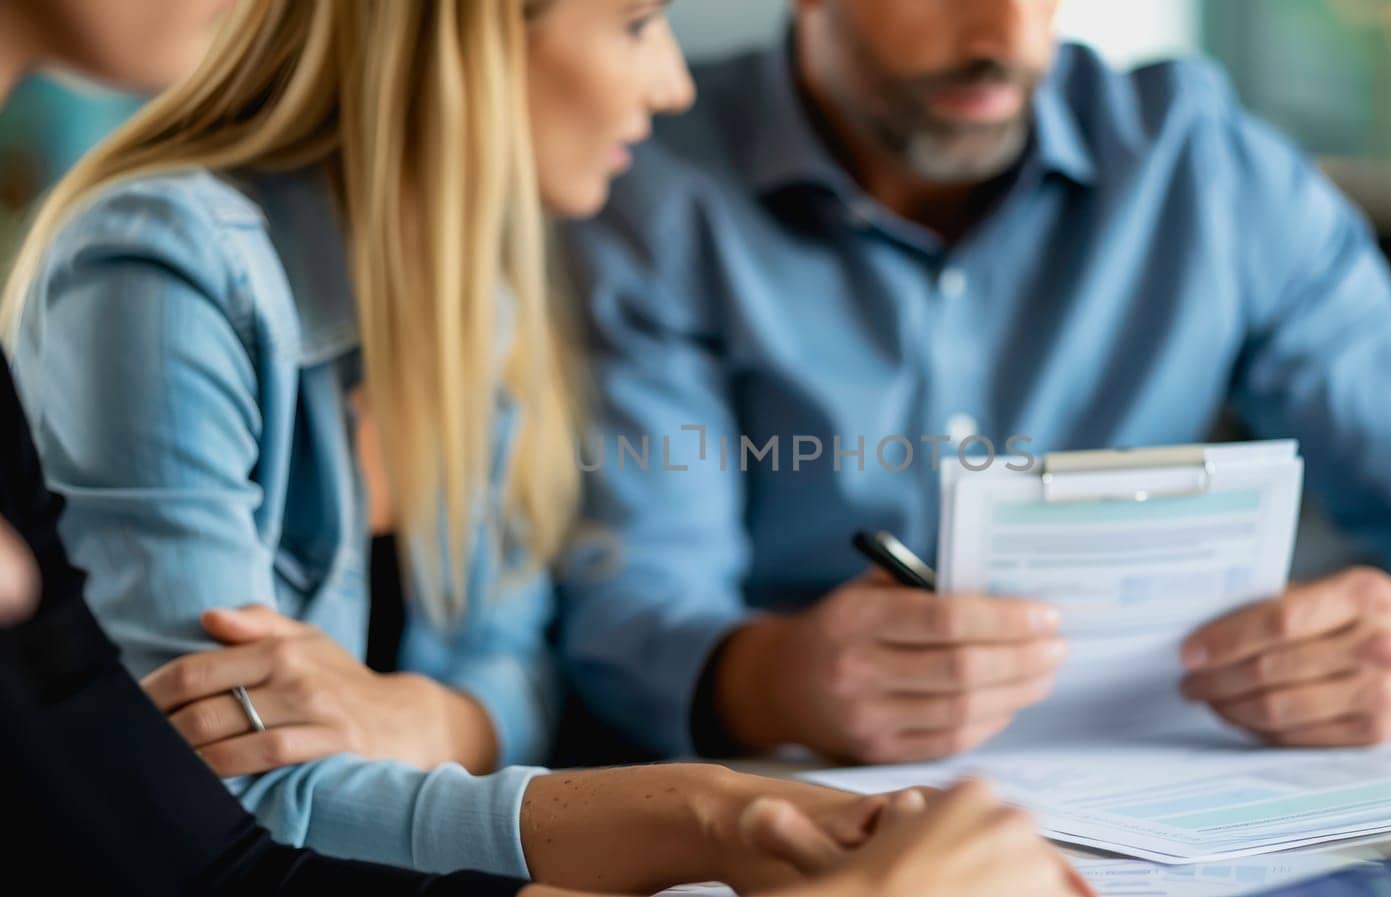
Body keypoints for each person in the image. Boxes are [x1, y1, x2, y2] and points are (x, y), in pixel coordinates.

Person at [1, 4, 1092, 896]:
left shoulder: (487, 302)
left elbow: (523, 674)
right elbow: (214, 809)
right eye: (637, 24)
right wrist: (709, 816)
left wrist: (428, 714)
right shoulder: (168, 267)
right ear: (467, 39)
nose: (671, 86)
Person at [552, 0, 1391, 764]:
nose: (1006, 37)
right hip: (822, 818)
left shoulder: (1203, 170)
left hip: (1206, 814)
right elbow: (628, 606)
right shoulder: (641, 187)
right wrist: (775, 679)